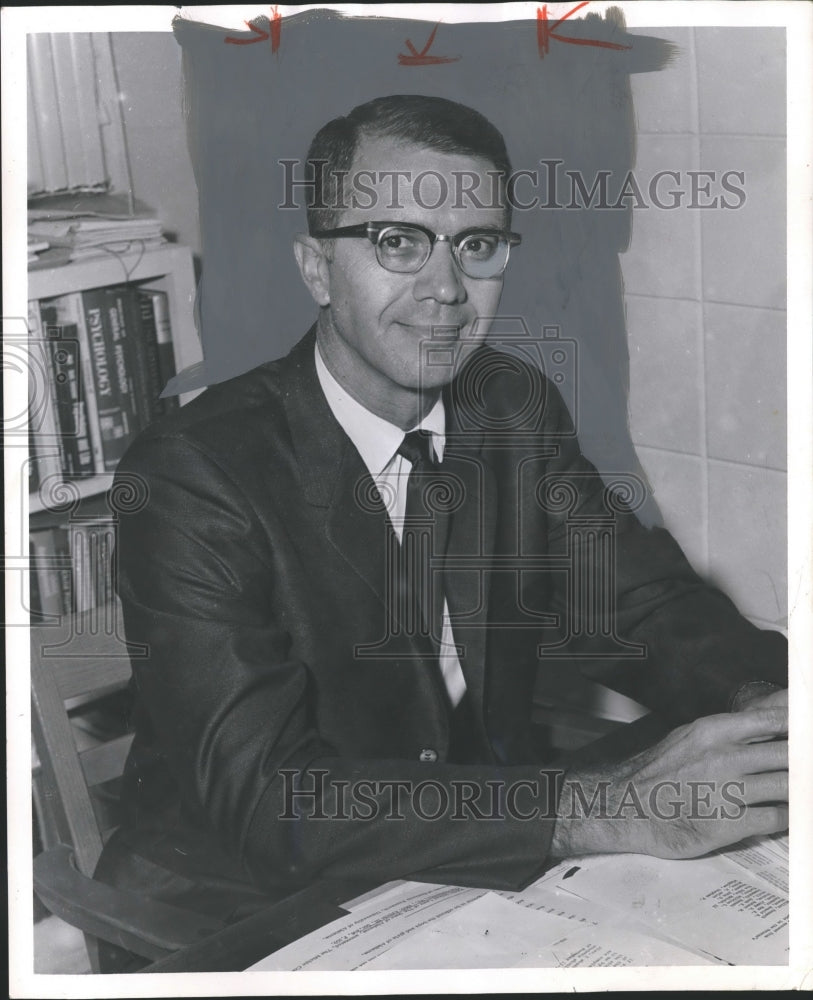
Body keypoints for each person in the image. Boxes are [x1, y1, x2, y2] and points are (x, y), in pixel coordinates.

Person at [95, 95, 787, 968]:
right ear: (317, 268)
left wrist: (765, 702)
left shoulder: (511, 408)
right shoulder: (192, 473)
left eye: (477, 245)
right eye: (397, 243)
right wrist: (599, 806)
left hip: (461, 867)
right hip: (241, 904)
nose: (446, 289)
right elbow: (268, 798)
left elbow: (644, 608)